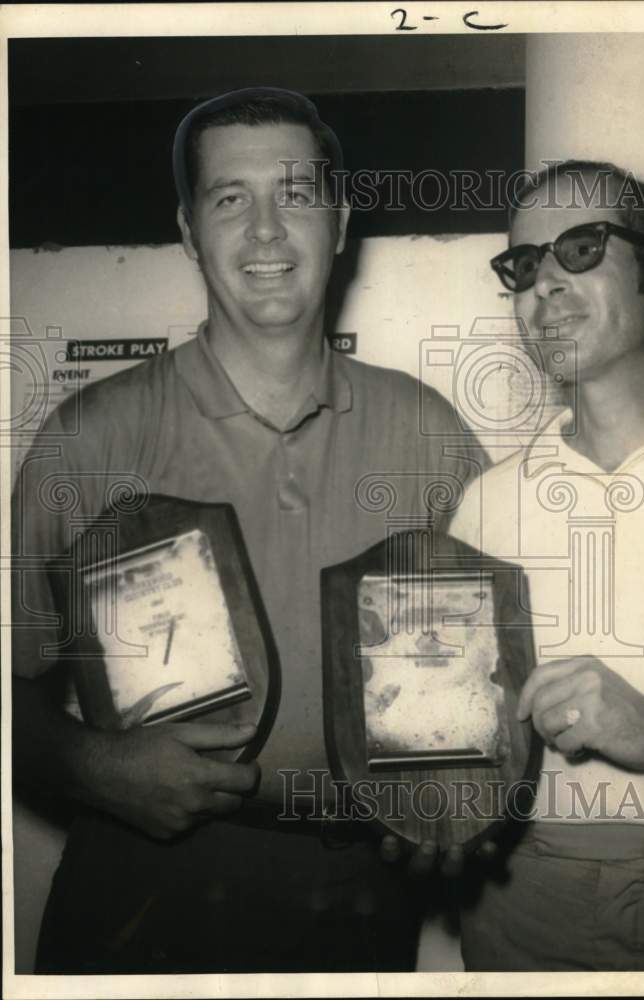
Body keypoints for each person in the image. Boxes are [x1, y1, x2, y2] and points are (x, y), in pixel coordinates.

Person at [11, 87, 484, 973]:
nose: (267, 232)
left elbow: (471, 693)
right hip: (146, 893)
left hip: (358, 897)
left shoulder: (432, 433)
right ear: (189, 231)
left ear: (339, 222)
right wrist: (86, 767)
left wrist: (456, 800)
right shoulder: (91, 436)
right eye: (231, 199)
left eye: (296, 195)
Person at [450, 160, 644, 971]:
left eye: (581, 249)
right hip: (518, 896)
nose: (543, 285)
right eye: (523, 266)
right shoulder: (485, 506)